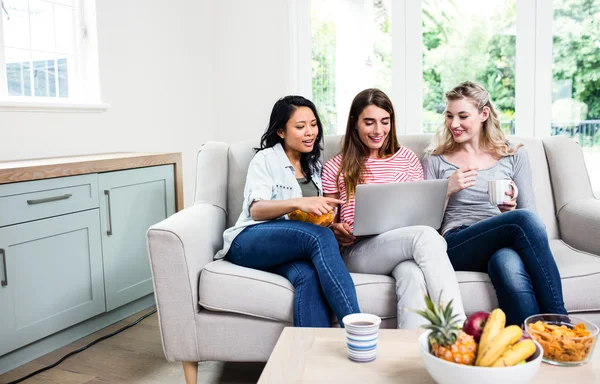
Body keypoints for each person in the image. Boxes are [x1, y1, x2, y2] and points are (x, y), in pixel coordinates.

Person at [422, 81, 567, 326]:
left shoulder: (512, 154)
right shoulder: (436, 159)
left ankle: (530, 341)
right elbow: (423, 226)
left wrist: (508, 211)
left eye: (462, 116)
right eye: (449, 116)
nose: (454, 124)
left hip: (502, 237)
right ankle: (561, 323)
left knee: (506, 262)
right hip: (457, 241)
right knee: (523, 222)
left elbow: (531, 216)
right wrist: (446, 190)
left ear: (484, 114)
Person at [321, 88, 466, 329]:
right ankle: (457, 329)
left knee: (411, 274)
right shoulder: (335, 166)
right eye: (369, 122)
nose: (378, 131)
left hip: (401, 248)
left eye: (385, 122)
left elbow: (422, 212)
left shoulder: (408, 159)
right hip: (358, 252)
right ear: (354, 123)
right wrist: (336, 229)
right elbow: (328, 222)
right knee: (426, 236)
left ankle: (412, 350)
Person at [215, 95, 360, 328]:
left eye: (313, 124)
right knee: (318, 237)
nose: (310, 132)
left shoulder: (313, 166)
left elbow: (309, 221)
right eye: (300, 127)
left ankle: (310, 355)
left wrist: (332, 227)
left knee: (308, 276)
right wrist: (297, 202)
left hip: (288, 250)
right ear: (281, 132)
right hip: (248, 242)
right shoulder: (266, 159)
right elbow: (257, 210)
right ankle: (357, 329)